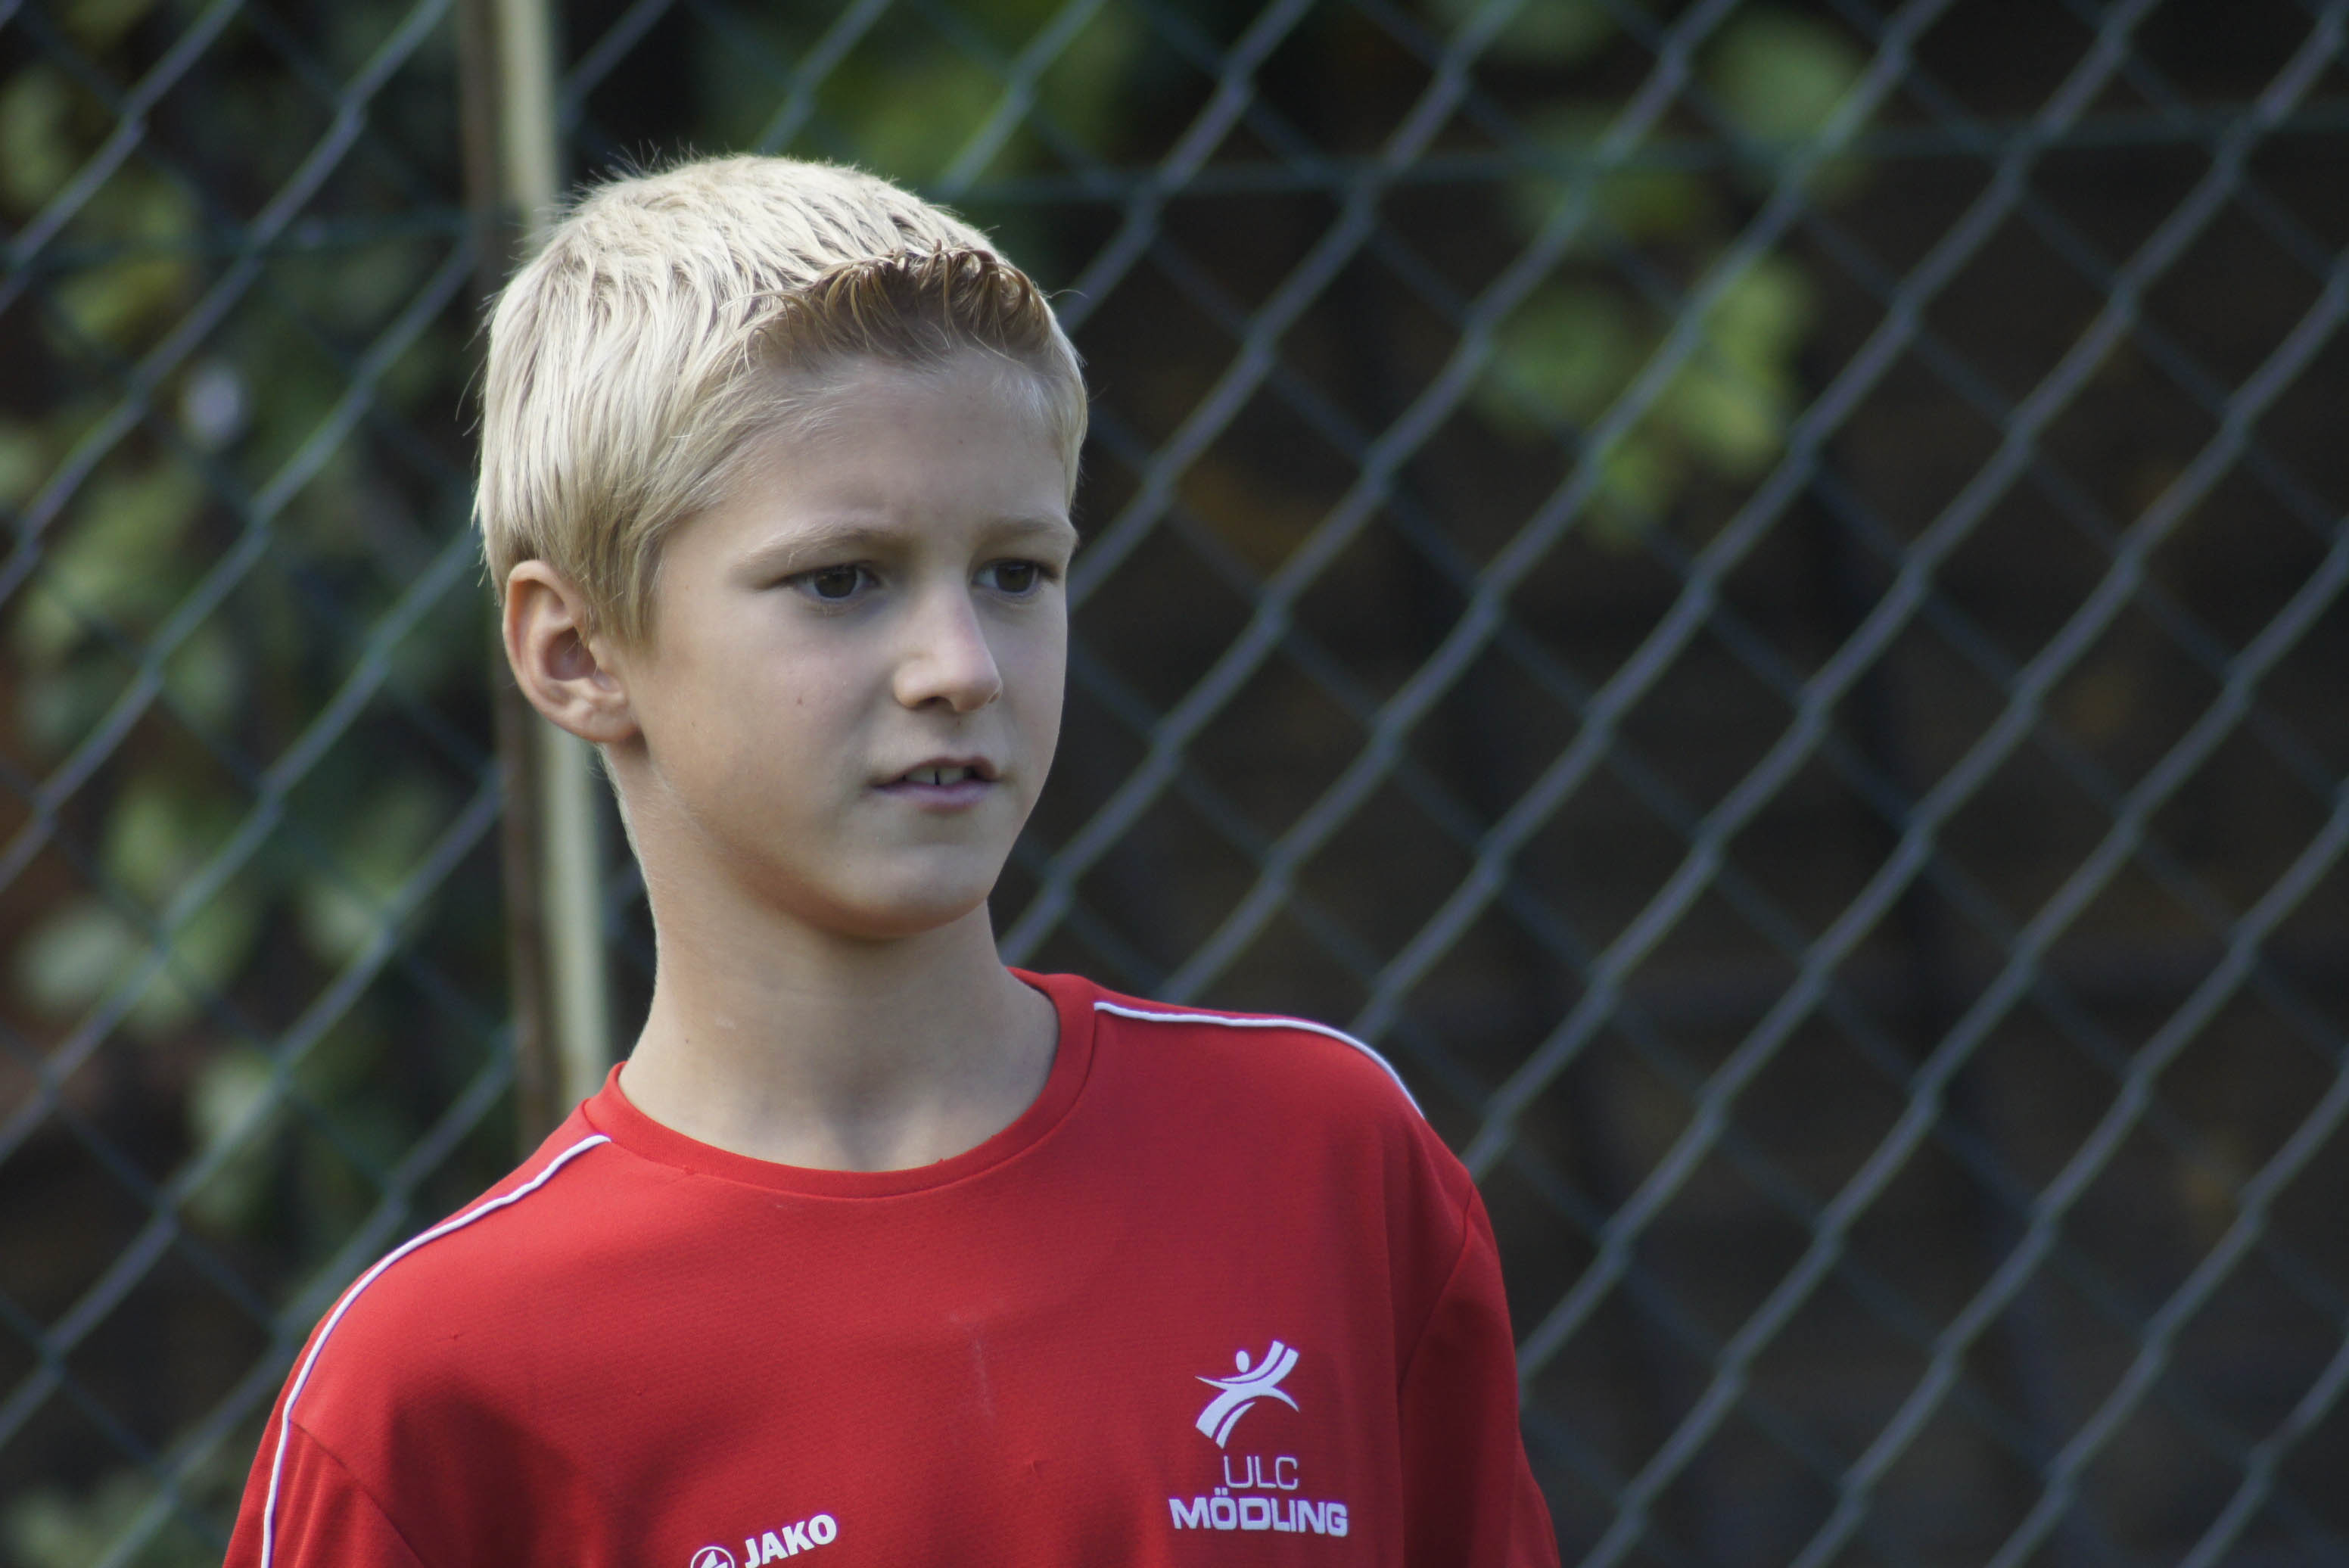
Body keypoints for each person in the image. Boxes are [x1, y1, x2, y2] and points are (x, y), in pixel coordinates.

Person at [223, 154, 1558, 1568]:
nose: (962, 666)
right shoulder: (437, 1386)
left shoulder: (1322, 1164)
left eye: (1015, 573)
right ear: (576, 652)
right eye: (843, 580)